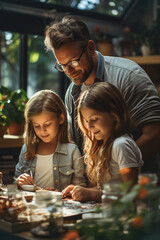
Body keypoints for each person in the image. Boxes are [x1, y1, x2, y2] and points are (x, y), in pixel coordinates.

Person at [44, 15, 160, 174]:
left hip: (138, 189)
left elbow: (155, 135)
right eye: (63, 66)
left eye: (73, 62)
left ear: (90, 48)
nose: (69, 72)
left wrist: (112, 174)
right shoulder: (72, 94)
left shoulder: (128, 77)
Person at [62, 82, 143, 202]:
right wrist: (80, 191)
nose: (89, 126)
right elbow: (104, 190)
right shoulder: (101, 146)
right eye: (86, 120)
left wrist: (92, 195)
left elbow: (133, 194)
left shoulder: (121, 145)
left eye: (94, 119)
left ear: (114, 115)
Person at [15, 90, 86, 191]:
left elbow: (80, 187)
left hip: (60, 205)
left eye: (47, 124)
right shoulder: (27, 149)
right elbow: (16, 182)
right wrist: (18, 182)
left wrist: (64, 194)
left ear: (61, 119)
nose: (42, 131)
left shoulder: (72, 151)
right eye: (37, 126)